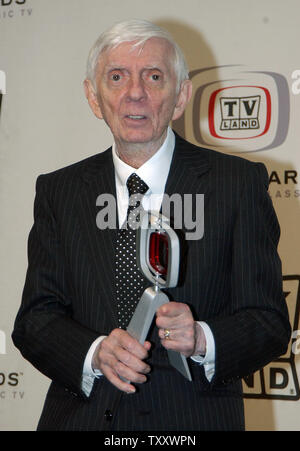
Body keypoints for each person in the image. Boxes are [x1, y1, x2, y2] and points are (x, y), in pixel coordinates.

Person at [12, 19, 291, 431]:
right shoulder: (59, 191)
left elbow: (268, 322)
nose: (135, 92)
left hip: (194, 421)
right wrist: (94, 353)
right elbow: (36, 320)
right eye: (116, 77)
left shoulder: (237, 184)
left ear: (180, 97)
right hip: (81, 419)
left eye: (154, 77)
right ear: (94, 97)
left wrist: (201, 338)